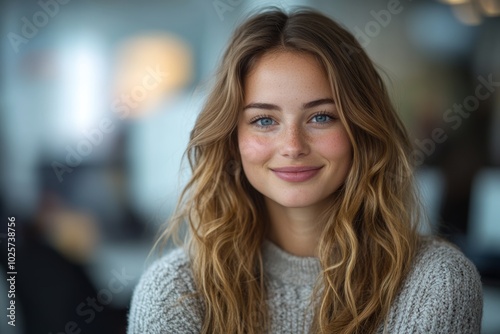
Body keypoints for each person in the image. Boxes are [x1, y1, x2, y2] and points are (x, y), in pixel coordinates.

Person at [127, 7, 483, 334]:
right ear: (232, 139)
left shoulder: (438, 282)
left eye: (321, 117)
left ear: (361, 131)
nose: (293, 146)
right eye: (264, 120)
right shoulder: (174, 292)